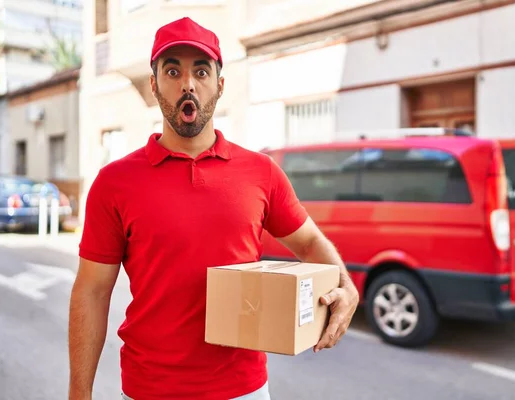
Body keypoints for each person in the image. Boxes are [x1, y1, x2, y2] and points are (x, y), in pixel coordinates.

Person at [68, 17, 359, 400]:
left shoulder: (261, 172)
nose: (188, 84)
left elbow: (308, 243)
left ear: (219, 86)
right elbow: (92, 290)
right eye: (172, 71)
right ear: (154, 85)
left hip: (244, 391)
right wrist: (79, 393)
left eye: (201, 71)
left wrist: (346, 286)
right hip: (149, 390)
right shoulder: (114, 182)